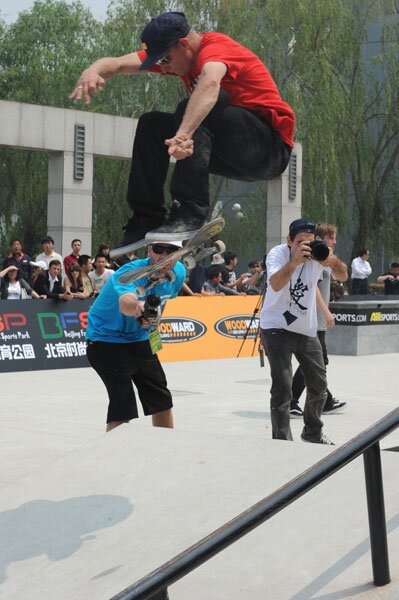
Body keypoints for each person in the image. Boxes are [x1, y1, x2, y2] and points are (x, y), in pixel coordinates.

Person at [70, 11, 294, 255]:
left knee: (191, 109)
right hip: (232, 152)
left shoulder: (216, 50)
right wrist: (93, 70)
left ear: (184, 44)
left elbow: (209, 85)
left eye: (166, 60)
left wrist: (183, 134)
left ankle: (189, 211)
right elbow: (118, 64)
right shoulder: (176, 54)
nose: (165, 67)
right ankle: (147, 217)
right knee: (151, 125)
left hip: (269, 149)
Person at [259, 218, 347, 444]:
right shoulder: (278, 254)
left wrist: (332, 259)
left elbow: (343, 275)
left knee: (319, 386)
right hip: (275, 328)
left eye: (310, 242)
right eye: (300, 242)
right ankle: (282, 441)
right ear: (289, 241)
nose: (306, 247)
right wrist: (295, 262)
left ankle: (312, 433)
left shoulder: (318, 255)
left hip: (306, 330)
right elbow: (276, 284)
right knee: (283, 387)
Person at [85, 240, 186, 432]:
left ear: (180, 254)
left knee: (162, 400)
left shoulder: (178, 273)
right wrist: (138, 308)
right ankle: (115, 455)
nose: (164, 256)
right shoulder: (128, 273)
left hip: (140, 338)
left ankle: (165, 449)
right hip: (105, 338)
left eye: (172, 251)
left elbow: (164, 301)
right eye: (159, 250)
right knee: (123, 404)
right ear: (149, 251)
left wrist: (153, 322)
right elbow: (125, 301)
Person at [290, 223, 348, 418]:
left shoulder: (324, 258)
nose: (335, 241)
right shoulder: (313, 258)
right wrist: (327, 312)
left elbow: (343, 275)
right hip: (313, 317)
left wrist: (331, 259)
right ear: (322, 239)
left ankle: (325, 399)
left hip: (318, 319)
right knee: (316, 360)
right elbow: (313, 288)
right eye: (332, 238)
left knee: (317, 361)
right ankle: (294, 400)